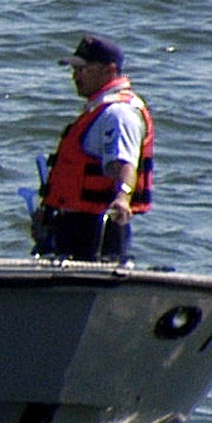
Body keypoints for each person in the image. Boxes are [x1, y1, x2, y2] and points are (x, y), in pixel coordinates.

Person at [33, 33, 153, 262]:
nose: (75, 76)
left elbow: (124, 163)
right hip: (72, 224)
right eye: (74, 69)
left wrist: (122, 197)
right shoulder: (98, 110)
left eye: (83, 69)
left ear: (108, 71)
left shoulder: (118, 113)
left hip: (95, 229)